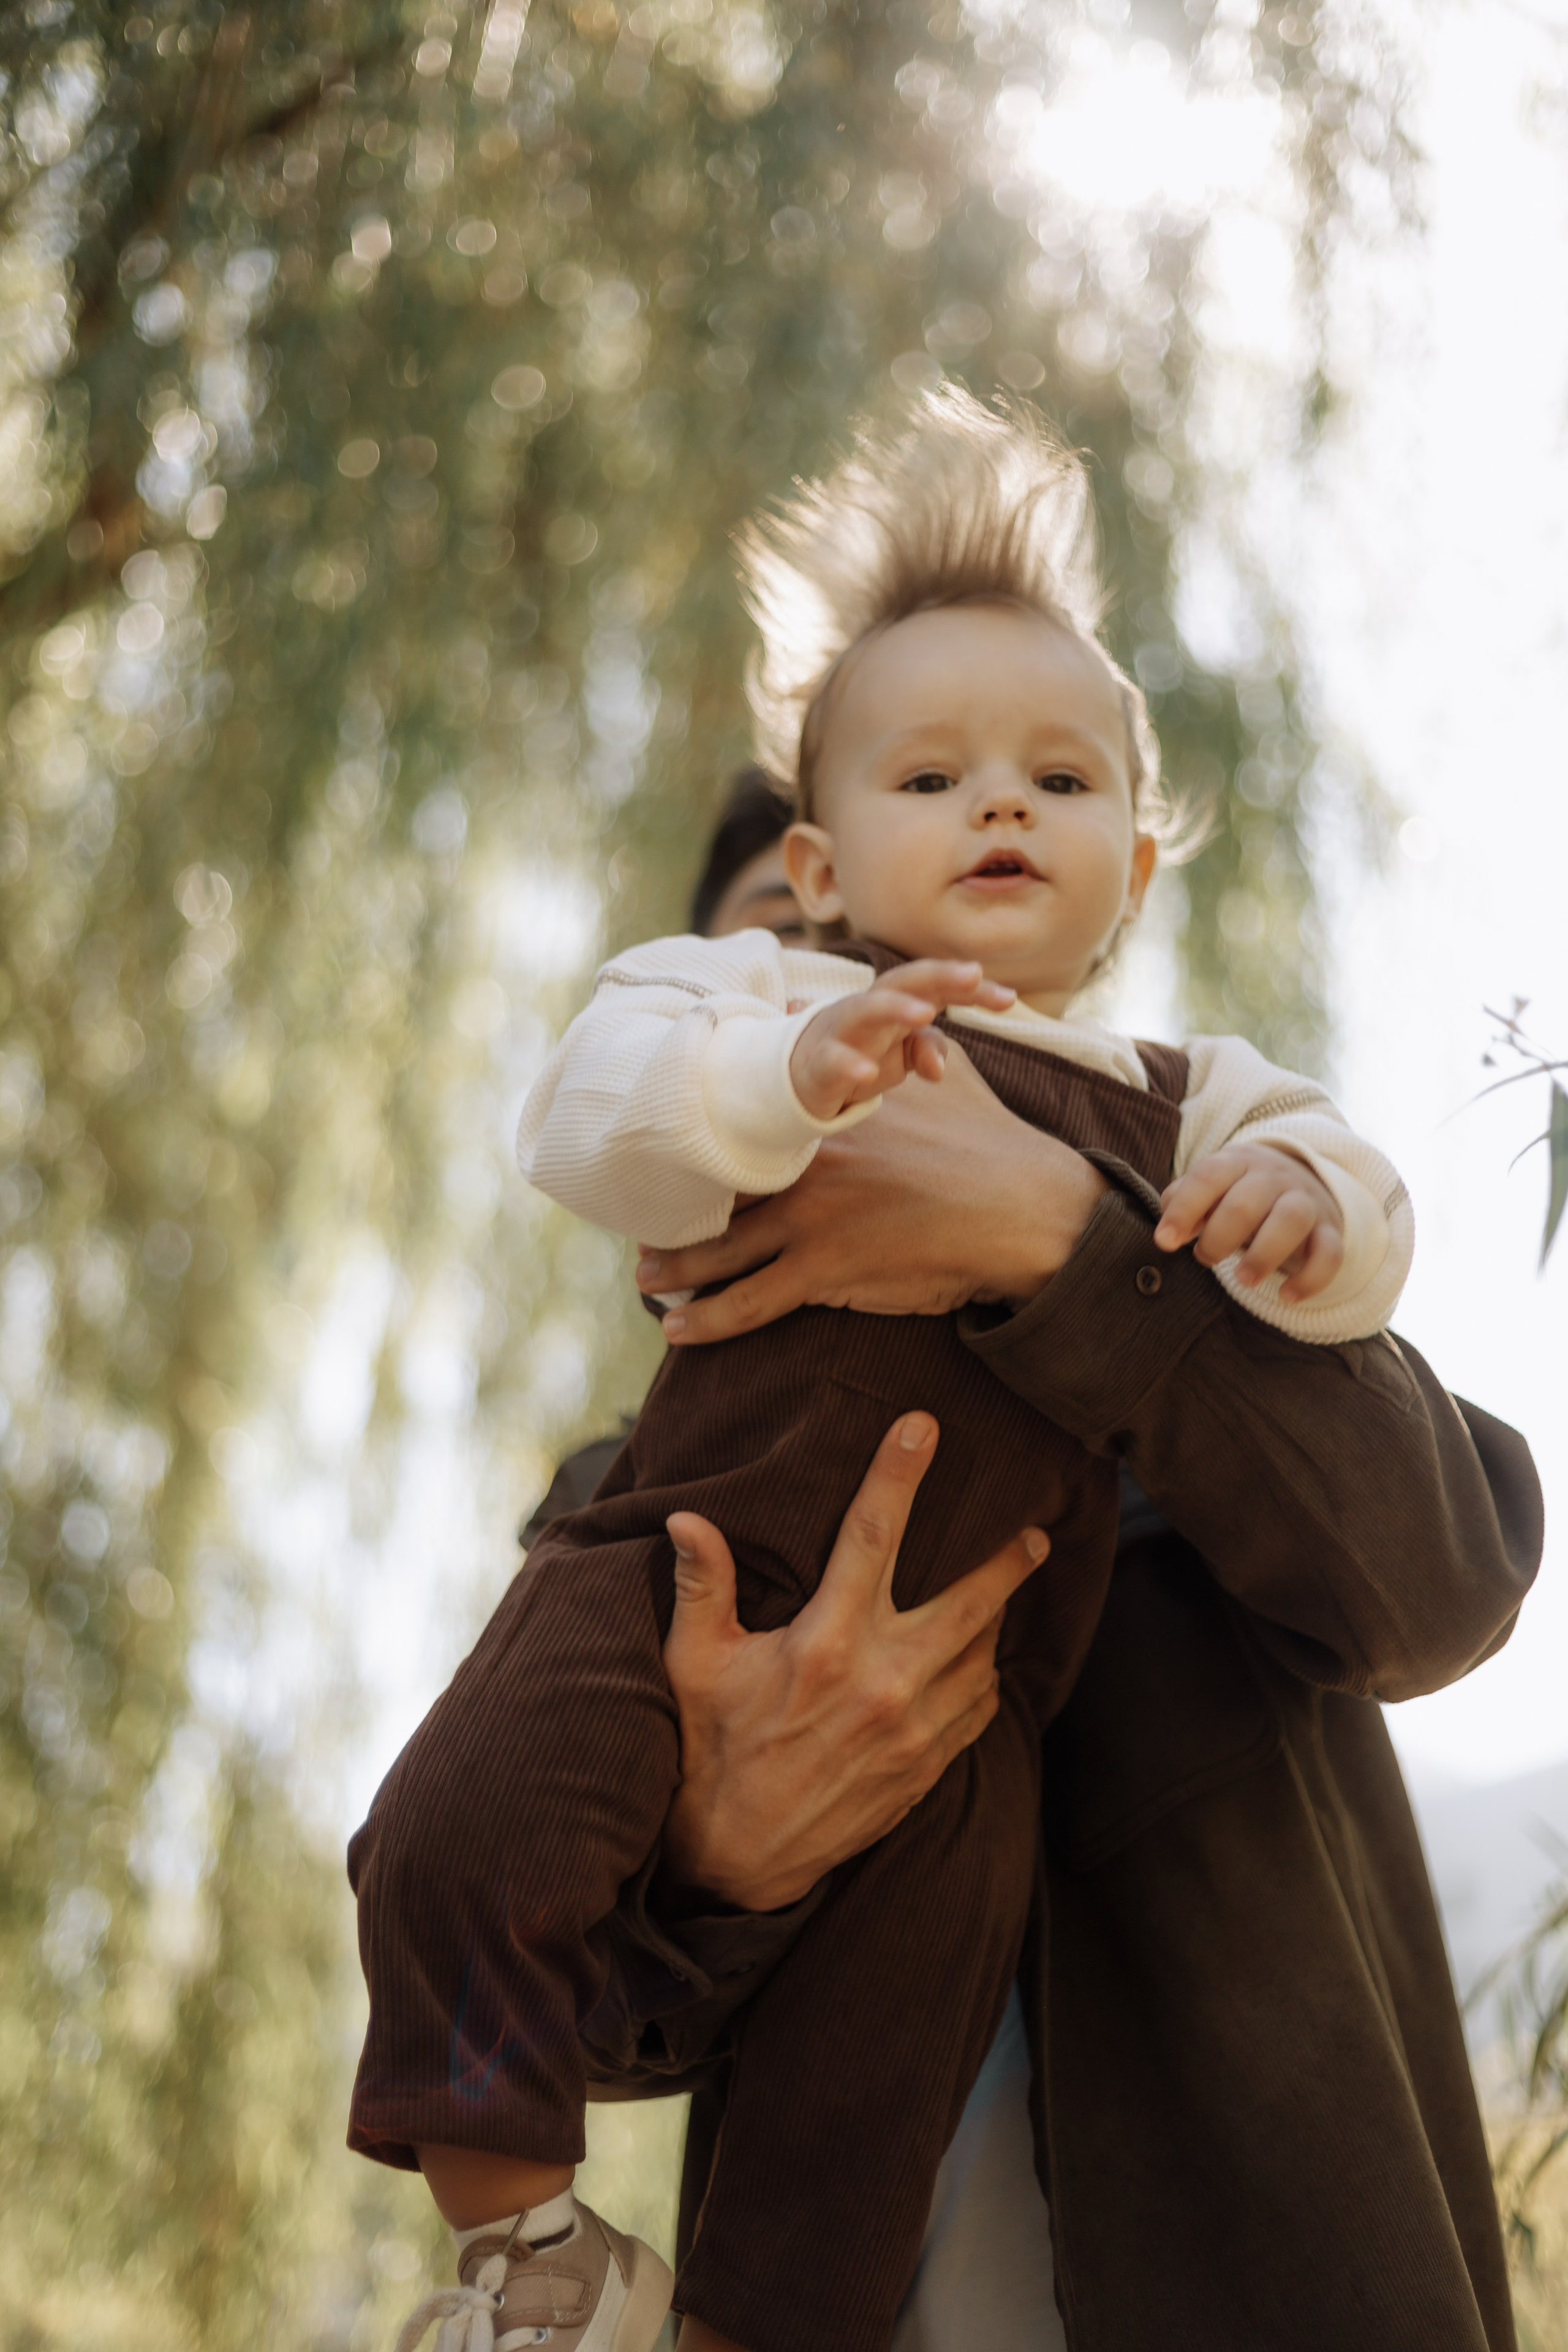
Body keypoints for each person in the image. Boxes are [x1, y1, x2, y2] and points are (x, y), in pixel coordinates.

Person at [350, 392, 1422, 2352]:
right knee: (456, 1822)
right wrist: (772, 1070)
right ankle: (525, 2248)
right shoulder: (759, 1010)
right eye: (931, 780)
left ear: (1140, 869)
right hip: (713, 1551)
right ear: (822, 877)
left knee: (870, 2069)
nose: (998, 808)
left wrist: (1294, 1203)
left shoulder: (1176, 1118)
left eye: (1053, 778)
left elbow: (1389, 1307)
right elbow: (591, 1112)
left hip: (1214, 2174)